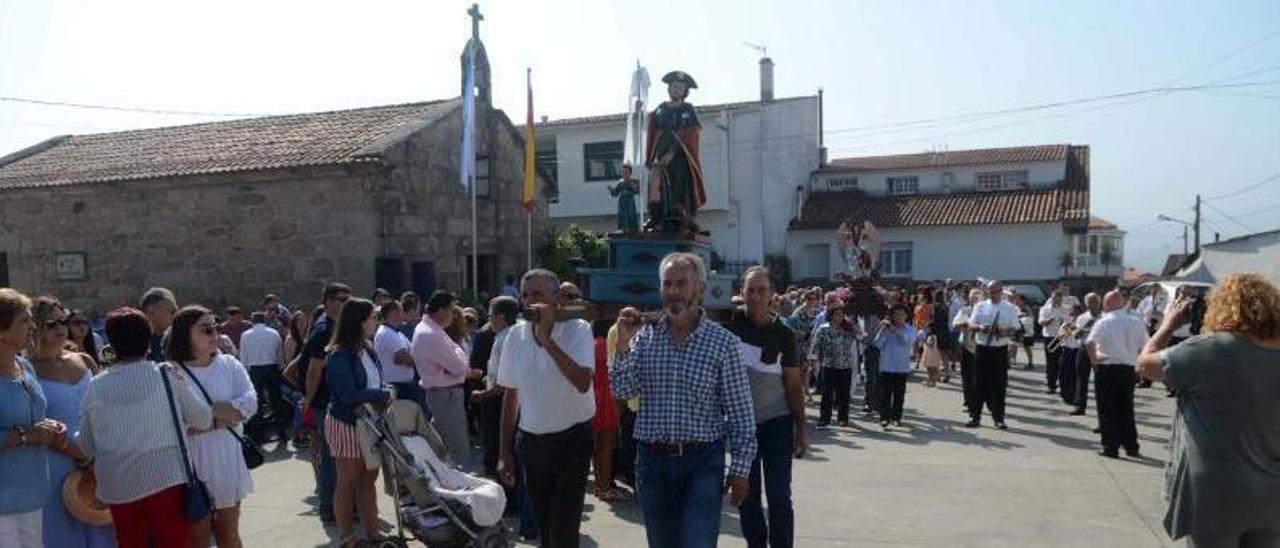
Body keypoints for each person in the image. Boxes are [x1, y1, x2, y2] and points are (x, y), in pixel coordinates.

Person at [610, 252, 756, 547]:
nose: (673, 292)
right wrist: (623, 346)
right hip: (652, 463)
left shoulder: (722, 343)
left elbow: (741, 412)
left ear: (699, 288)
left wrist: (740, 469)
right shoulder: (644, 338)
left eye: (681, 284)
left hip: (702, 462)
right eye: (667, 284)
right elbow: (623, 391)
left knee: (697, 543)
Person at [1136, 273, 1280, 547]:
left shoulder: (1211, 349)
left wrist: (1167, 325)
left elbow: (1144, 365)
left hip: (1217, 491)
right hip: (1273, 494)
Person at [79, 307, 213, 548]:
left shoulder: (96, 386)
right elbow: (203, 419)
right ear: (147, 338)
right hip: (166, 480)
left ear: (113, 343)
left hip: (119, 486)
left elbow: (86, 445)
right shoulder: (166, 374)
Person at [495, 269, 595, 547]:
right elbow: (511, 395)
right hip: (533, 443)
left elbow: (582, 382)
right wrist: (505, 453)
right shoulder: (515, 336)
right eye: (525, 295)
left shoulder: (578, 330)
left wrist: (547, 340)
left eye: (537, 294)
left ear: (556, 299)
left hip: (572, 440)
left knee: (564, 528)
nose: (529, 301)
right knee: (545, 527)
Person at [728, 266, 806, 548]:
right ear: (741, 293)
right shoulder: (729, 324)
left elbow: (794, 385)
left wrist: (802, 429)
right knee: (746, 495)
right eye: (751, 290)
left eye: (762, 290)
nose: (757, 296)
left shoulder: (785, 334)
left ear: (773, 294)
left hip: (777, 422)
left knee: (779, 497)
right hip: (740, 426)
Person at [166, 306, 257, 548]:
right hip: (190, 465)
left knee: (229, 533)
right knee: (197, 538)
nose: (214, 333)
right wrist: (223, 414)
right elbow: (176, 423)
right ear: (186, 335)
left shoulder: (229, 364)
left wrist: (202, 417)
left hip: (226, 459)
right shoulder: (171, 372)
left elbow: (248, 405)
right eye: (206, 329)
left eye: (214, 326)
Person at [27, 297, 114, 547]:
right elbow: (36, 420)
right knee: (62, 533)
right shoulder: (28, 369)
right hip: (55, 461)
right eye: (51, 323)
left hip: (97, 457)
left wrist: (97, 454)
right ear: (36, 327)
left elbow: (106, 406)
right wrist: (76, 452)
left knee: (102, 530)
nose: (60, 328)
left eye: (63, 321)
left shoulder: (84, 360)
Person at [323, 298, 394, 547]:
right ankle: (347, 538)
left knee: (368, 479)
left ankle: (373, 533)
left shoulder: (368, 348)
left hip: (370, 423)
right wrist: (382, 394)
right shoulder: (339, 355)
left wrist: (384, 390)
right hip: (347, 423)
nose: (376, 321)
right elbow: (349, 396)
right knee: (348, 481)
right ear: (359, 321)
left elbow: (373, 382)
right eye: (372, 317)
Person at [1, 289, 68, 548]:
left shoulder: (25, 367)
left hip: (32, 494)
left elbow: (32, 415)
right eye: (24, 321)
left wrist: (48, 426)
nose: (33, 326)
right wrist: (27, 435)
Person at [300, 282, 351, 524]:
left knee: (338, 455)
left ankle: (340, 503)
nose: (345, 303)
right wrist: (308, 401)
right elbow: (312, 370)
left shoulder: (334, 327)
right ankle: (328, 506)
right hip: (324, 403)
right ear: (329, 302)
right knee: (331, 456)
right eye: (342, 299)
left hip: (333, 402)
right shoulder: (323, 330)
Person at [1083, 290, 1148, 459]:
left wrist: (1094, 362)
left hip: (1107, 367)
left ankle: (1110, 447)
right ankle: (1131, 446)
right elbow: (1145, 347)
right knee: (1127, 409)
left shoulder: (1104, 321)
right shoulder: (1136, 322)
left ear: (1109, 303)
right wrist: (1140, 367)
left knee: (1107, 409)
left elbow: (1090, 343)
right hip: (1128, 368)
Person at [412, 290, 473, 465]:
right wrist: (459, 352)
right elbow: (460, 367)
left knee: (442, 446)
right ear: (440, 311)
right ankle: (462, 488)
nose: (454, 316)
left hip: (442, 394)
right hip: (446, 395)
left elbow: (459, 362)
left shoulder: (430, 329)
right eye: (452, 310)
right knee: (458, 447)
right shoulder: (431, 333)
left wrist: (457, 354)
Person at [644, 70, 707, 232]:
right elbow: (651, 126)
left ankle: (680, 217)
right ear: (669, 89)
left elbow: (693, 132)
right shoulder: (660, 109)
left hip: (681, 156)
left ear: (685, 91)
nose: (676, 89)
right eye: (673, 86)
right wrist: (640, 112)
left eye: (680, 87)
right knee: (656, 184)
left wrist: (672, 153)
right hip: (660, 153)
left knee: (679, 186)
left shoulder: (688, 110)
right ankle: (656, 216)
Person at [470, 297, 518, 478]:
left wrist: (481, 394)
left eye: (490, 316)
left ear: (500, 317)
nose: (488, 320)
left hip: (499, 402)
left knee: (496, 448)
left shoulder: (505, 338)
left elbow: (504, 385)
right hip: (503, 398)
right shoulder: (514, 335)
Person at [965, 280, 1021, 429]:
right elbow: (970, 324)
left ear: (1001, 291)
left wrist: (1005, 331)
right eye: (991, 291)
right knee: (978, 385)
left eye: (996, 291)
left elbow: (1016, 328)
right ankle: (974, 416)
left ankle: (999, 418)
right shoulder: (980, 305)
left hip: (1000, 349)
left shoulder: (1009, 308)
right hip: (983, 348)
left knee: (999, 385)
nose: (994, 294)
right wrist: (980, 327)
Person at [590, 319, 625, 502]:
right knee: (607, 447)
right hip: (607, 398)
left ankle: (599, 486)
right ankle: (605, 489)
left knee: (597, 447)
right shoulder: (604, 345)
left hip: (593, 396)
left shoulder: (592, 345)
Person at [810, 304, 861, 427]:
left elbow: (861, 337)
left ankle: (843, 418)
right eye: (837, 314)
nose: (839, 317)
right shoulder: (823, 329)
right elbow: (815, 347)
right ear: (831, 315)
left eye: (842, 314)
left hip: (845, 365)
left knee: (844, 393)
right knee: (827, 393)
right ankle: (824, 419)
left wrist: (854, 327)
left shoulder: (848, 329)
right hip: (828, 365)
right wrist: (813, 361)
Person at [240, 311, 287, 442]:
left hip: (255, 369)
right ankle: (281, 432)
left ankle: (258, 435)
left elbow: (244, 355)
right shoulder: (273, 333)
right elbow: (279, 353)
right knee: (276, 400)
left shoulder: (245, 335)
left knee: (257, 401)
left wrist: (245, 371)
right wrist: (280, 367)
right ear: (265, 320)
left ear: (252, 321)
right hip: (272, 367)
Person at [875, 304, 921, 429]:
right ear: (892, 316)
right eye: (896, 314)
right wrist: (882, 331)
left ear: (906, 316)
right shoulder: (886, 328)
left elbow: (907, 342)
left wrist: (895, 331)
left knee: (899, 394)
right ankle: (884, 417)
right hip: (886, 365)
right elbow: (877, 344)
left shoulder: (910, 329)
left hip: (901, 366)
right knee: (885, 394)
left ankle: (896, 417)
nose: (899, 317)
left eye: (902, 314)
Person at [374, 301, 424, 414]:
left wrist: (411, 356)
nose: (404, 314)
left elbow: (411, 355)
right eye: (401, 311)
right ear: (393, 313)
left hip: (405, 386)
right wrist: (412, 357)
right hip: (397, 387)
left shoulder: (398, 334)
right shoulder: (386, 333)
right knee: (403, 422)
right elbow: (407, 360)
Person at [1069, 293, 1104, 417]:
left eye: (1094, 301)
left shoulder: (1105, 317)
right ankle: (1080, 406)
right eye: (1088, 302)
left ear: (1099, 303)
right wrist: (1083, 329)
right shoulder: (1082, 317)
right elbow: (1075, 335)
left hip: (1099, 350)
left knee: (1100, 381)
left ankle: (1102, 411)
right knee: (1081, 379)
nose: (1091, 305)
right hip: (1084, 349)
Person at [952, 288, 983, 416]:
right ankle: (969, 402)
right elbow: (955, 325)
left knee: (979, 377)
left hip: (981, 347)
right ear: (969, 298)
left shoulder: (985, 311)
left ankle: (978, 401)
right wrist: (967, 324)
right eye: (972, 297)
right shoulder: (964, 310)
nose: (975, 299)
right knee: (967, 377)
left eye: (977, 297)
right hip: (966, 346)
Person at [1039, 290, 1073, 396]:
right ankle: (1051, 386)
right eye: (1054, 299)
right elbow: (1040, 322)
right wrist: (1048, 321)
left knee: (1063, 363)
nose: (1056, 302)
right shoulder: (1045, 309)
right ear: (1051, 298)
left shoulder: (1066, 309)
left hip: (1062, 337)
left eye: (1059, 300)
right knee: (1051, 363)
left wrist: (1065, 327)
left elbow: (1071, 323)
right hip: (1049, 337)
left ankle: (1064, 386)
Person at [139, 287, 178, 362]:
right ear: (151, 311)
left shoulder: (175, 342)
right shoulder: (128, 336)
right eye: (171, 311)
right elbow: (109, 361)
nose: (175, 316)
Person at [610, 164, 641, 233]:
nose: (625, 174)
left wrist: (635, 187)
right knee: (622, 215)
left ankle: (633, 230)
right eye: (623, 172)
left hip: (630, 201)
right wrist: (611, 190)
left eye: (627, 172)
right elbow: (615, 194)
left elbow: (638, 192)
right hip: (622, 202)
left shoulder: (634, 181)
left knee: (631, 215)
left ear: (630, 173)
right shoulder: (620, 183)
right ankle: (623, 230)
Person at [1015, 295, 1037, 370]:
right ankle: (1012, 361)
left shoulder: (1026, 307)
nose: (1016, 301)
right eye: (1016, 299)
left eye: (1018, 300)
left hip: (1026, 330)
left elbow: (1031, 317)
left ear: (1023, 301)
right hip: (1018, 329)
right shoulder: (1016, 307)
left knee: (1027, 346)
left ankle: (1031, 363)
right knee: (1014, 345)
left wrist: (1021, 315)